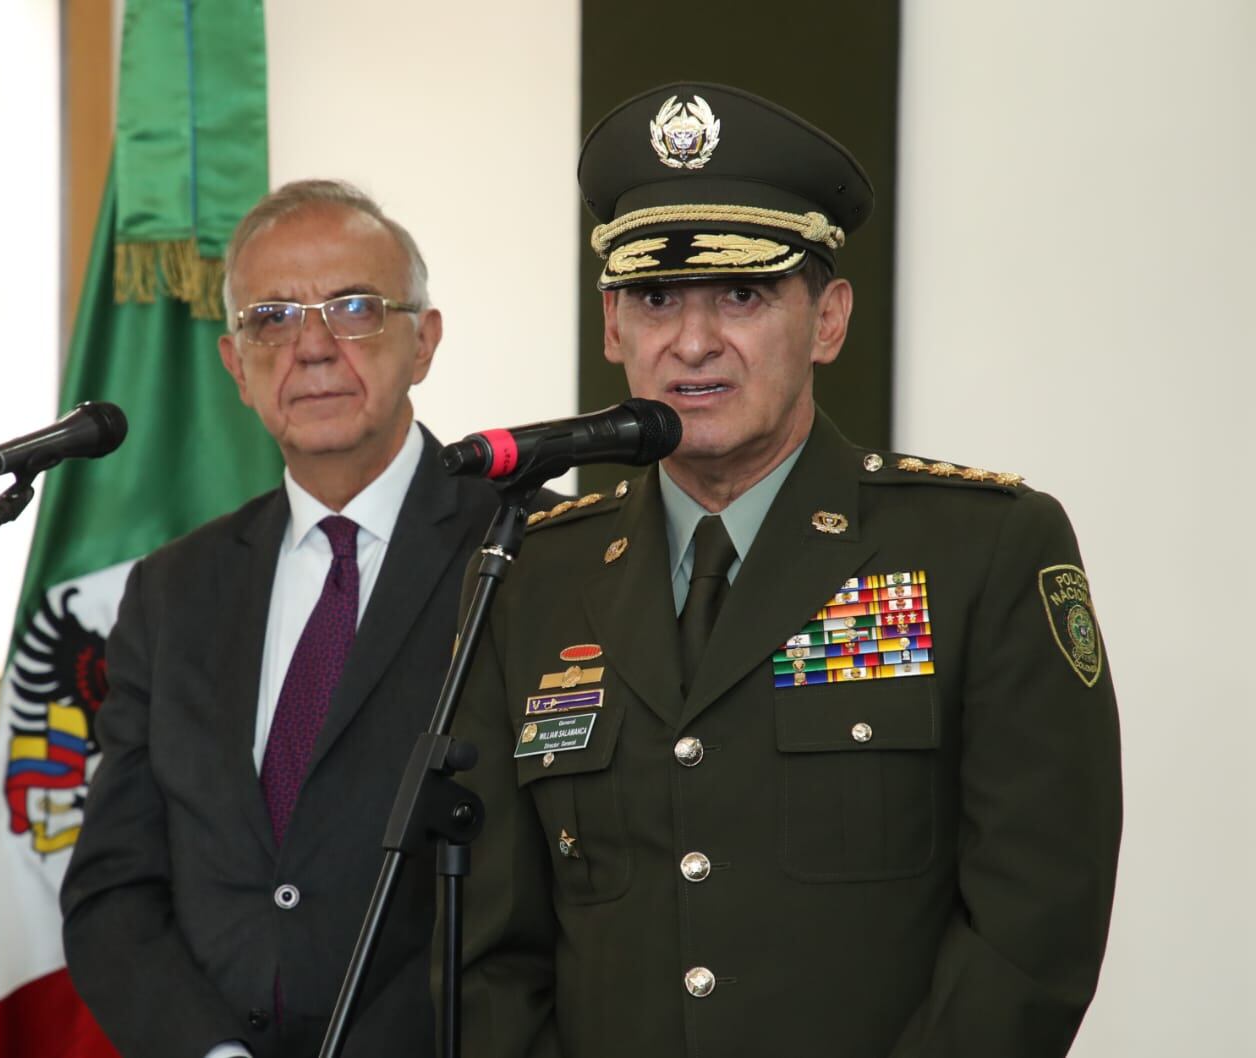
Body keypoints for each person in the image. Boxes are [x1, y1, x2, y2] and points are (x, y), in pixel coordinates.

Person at [448, 83, 1123, 1057]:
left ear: (829, 319)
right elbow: (489, 951)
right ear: (612, 326)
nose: (693, 342)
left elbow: (1036, 924)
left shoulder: (981, 549)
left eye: (743, 294)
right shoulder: (533, 574)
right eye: (655, 298)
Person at [61, 179, 523, 1058]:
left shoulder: (530, 552)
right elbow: (114, 888)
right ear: (236, 367)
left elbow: (551, 889)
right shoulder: (173, 589)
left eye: (353, 308)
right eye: (270, 318)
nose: (311, 348)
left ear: (423, 342)